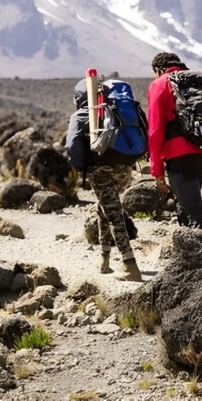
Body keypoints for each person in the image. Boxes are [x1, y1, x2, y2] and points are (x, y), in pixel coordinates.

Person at [65, 79, 143, 281]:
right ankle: (104, 260)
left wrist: (80, 167)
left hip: (99, 171)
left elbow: (72, 146)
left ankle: (130, 265)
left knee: (114, 213)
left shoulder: (81, 115)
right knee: (105, 208)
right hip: (125, 168)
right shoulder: (116, 110)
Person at [147, 52, 202, 232]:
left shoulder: (160, 84)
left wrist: (157, 170)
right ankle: (190, 254)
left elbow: (155, 130)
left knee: (192, 212)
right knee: (186, 206)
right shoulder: (195, 82)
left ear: (157, 70)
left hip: (179, 157)